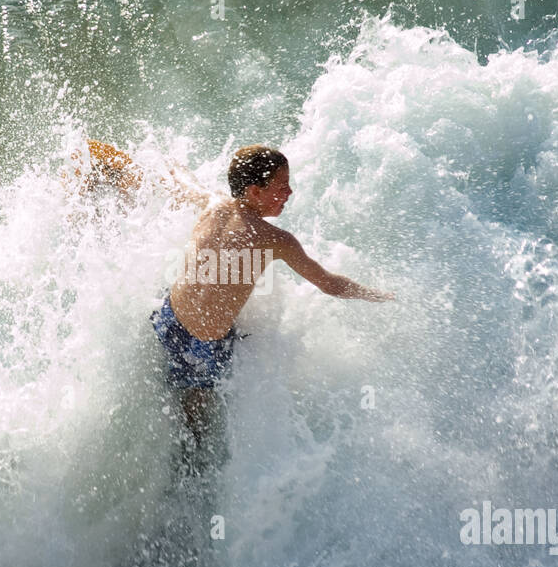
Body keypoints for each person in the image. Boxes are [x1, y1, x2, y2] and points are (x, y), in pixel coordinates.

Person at [150, 145, 394, 468]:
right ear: (254, 191)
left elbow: (184, 183)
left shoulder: (213, 206)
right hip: (205, 345)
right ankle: (186, 474)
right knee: (195, 430)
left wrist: (170, 164)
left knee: (160, 386)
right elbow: (329, 284)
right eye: (282, 187)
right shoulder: (275, 239)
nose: (290, 192)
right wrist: (377, 295)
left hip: (170, 319)